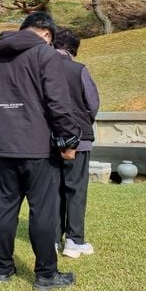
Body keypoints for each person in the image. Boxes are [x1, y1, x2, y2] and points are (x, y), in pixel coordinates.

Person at [0, 11, 81, 291]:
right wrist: (70, 141)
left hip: (5, 146)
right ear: (47, 35)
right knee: (43, 211)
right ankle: (46, 274)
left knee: (4, 207)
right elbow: (59, 104)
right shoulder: (45, 55)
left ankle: (2, 268)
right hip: (39, 148)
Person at [52, 28, 100, 259]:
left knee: (52, 190)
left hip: (48, 140)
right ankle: (74, 239)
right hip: (78, 139)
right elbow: (93, 103)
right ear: (74, 49)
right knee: (76, 189)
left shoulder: (41, 68)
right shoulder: (78, 70)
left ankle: (51, 238)